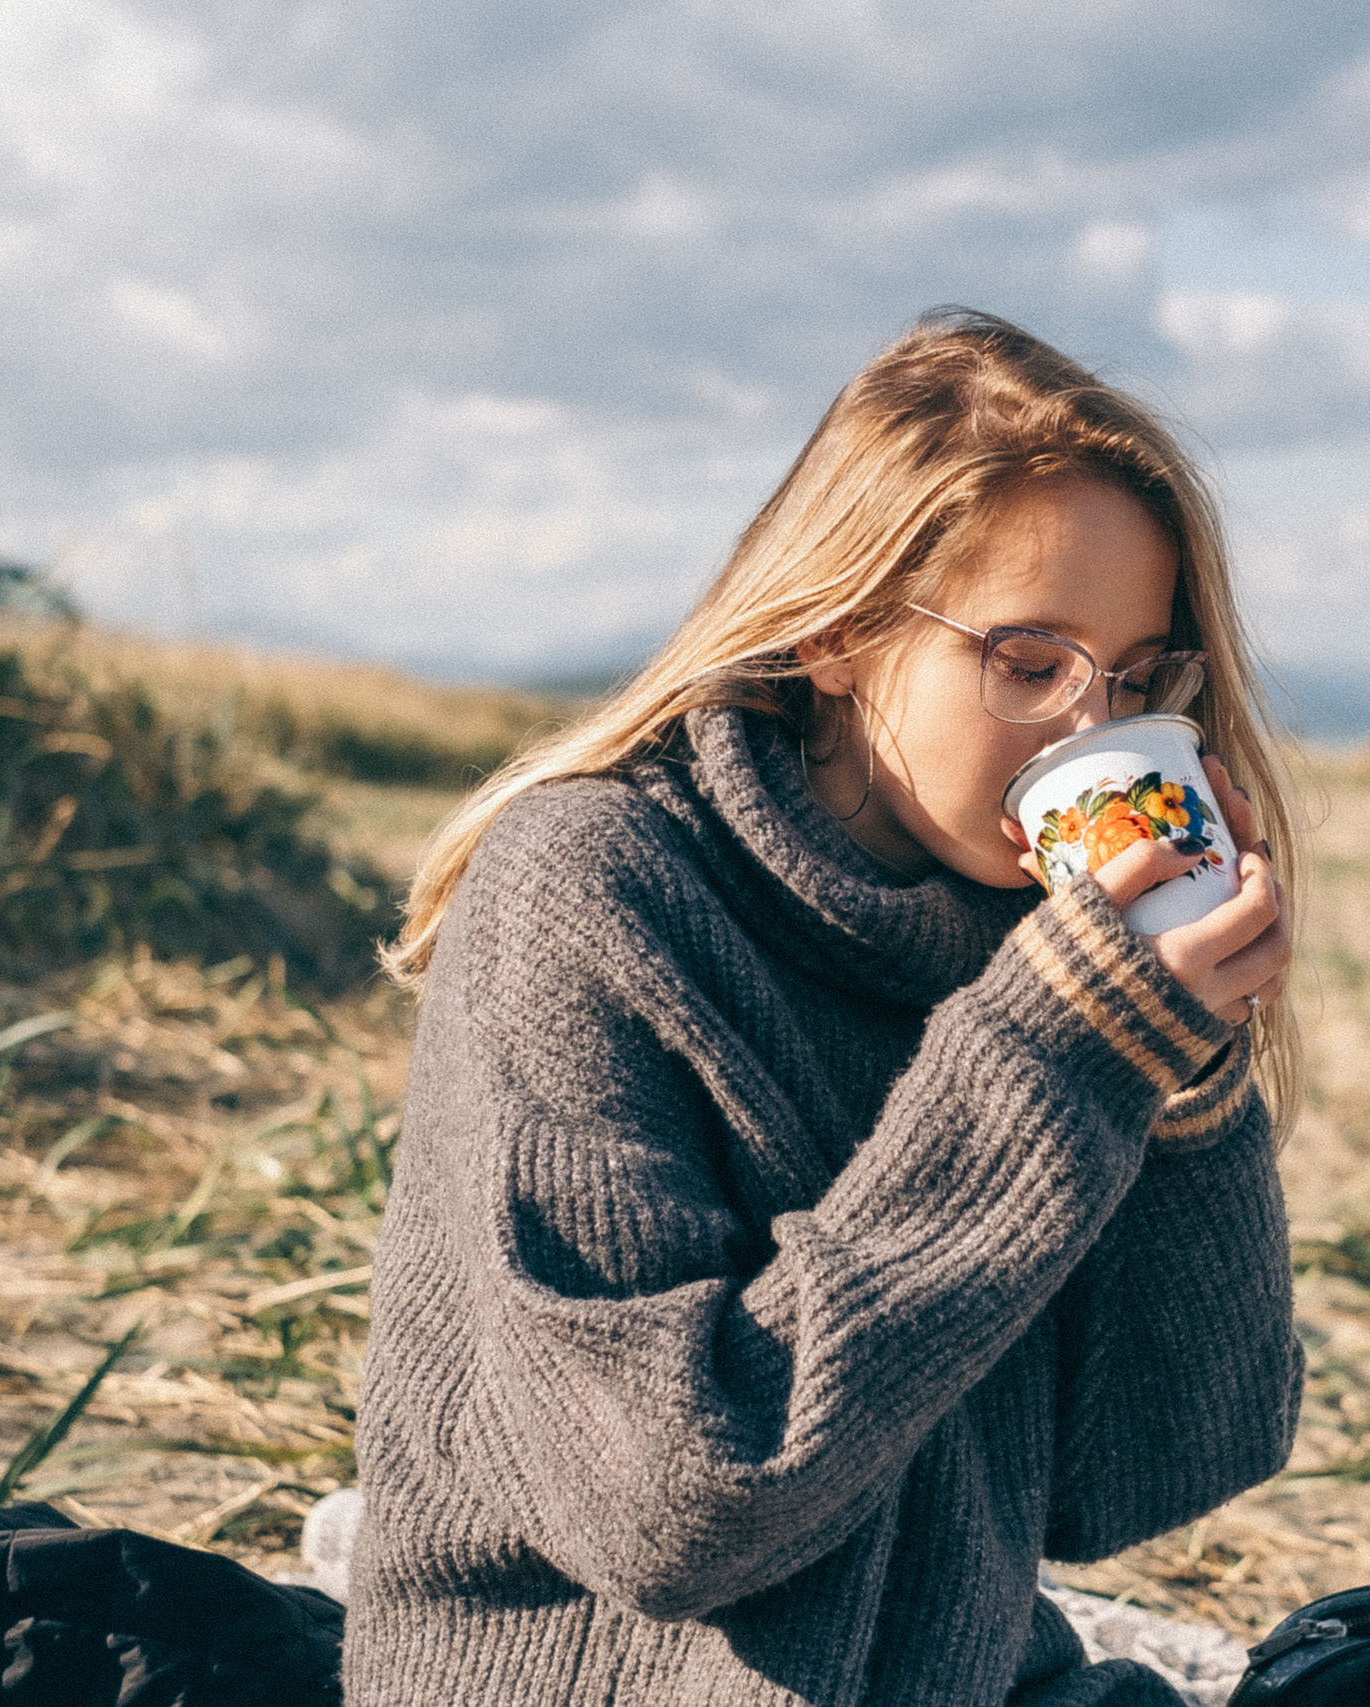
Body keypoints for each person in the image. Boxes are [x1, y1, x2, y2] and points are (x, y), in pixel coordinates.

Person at [345, 309, 1304, 1706]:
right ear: (845, 631)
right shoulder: (595, 890)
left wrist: (1185, 1091)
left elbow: (1151, 1475)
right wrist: (1046, 1058)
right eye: (1029, 660)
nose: (1091, 733)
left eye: (1140, 677)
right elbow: (667, 1508)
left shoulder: (1033, 944)